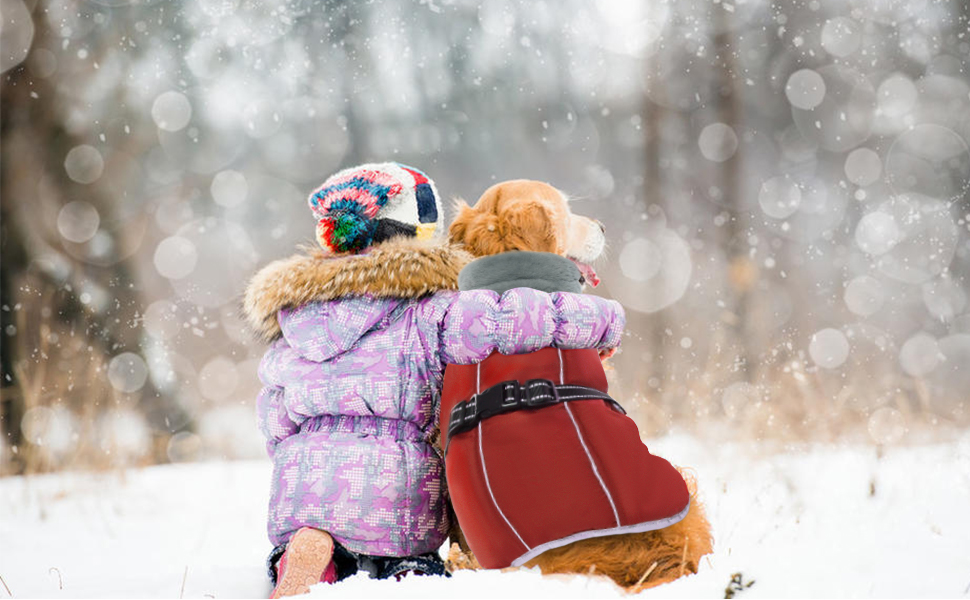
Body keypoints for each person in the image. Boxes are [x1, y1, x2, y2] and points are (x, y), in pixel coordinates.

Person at [243, 163, 625, 597]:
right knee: (414, 565)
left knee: (309, 539)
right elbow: (513, 320)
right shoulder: (433, 310)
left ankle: (313, 551)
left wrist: (304, 458)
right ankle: (411, 576)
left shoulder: (294, 323)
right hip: (399, 490)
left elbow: (273, 418)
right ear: (421, 227)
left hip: (303, 485)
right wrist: (603, 322)